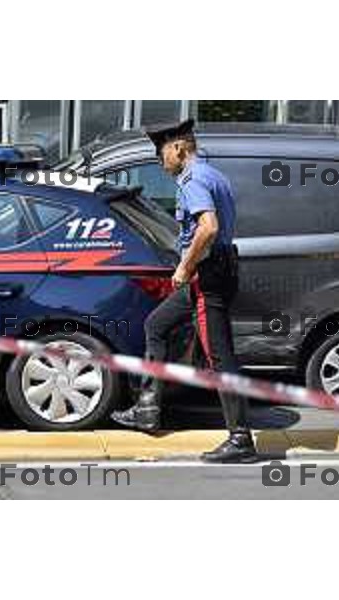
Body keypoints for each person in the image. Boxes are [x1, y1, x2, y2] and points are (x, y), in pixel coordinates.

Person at [111, 119, 257, 463]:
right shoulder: (213, 174)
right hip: (213, 273)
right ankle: (148, 408)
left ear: (178, 148)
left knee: (221, 357)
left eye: (162, 152)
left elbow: (208, 228)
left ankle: (241, 439)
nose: (160, 162)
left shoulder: (193, 180)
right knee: (156, 325)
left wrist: (184, 266)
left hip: (208, 277)